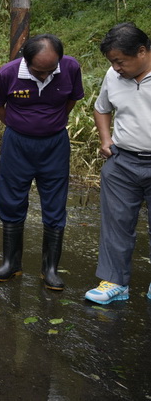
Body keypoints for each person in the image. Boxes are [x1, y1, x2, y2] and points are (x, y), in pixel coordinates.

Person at [0, 34, 84, 291]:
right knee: (11, 199)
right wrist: (18, 125)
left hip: (54, 146)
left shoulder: (70, 68)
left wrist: (51, 123)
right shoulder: (8, 73)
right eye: (39, 71)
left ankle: (49, 269)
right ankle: (11, 263)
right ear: (26, 61)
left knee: (55, 202)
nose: (45, 75)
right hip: (17, 145)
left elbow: (72, 99)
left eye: (51, 70)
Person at [84, 23, 151, 304]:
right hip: (122, 162)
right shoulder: (113, 76)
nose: (115, 67)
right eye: (112, 62)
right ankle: (115, 282)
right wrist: (105, 139)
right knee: (116, 224)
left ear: (142, 51)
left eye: (119, 61)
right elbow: (102, 108)